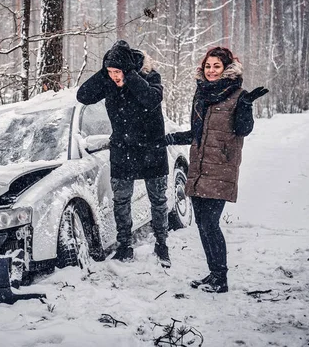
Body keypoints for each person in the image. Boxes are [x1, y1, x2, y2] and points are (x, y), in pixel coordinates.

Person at [165, 46, 268, 292]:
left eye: (216, 66)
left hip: (221, 168)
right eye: (208, 66)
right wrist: (168, 139)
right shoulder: (201, 94)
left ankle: (220, 279)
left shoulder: (237, 95)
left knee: (210, 223)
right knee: (202, 223)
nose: (211, 71)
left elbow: (243, 130)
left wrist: (246, 107)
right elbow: (196, 134)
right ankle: (213, 274)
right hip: (199, 167)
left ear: (226, 69)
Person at [77, 40, 172, 268]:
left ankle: (162, 244)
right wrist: (105, 71)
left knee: (158, 200)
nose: (114, 76)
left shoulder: (150, 77)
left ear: (128, 70)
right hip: (123, 149)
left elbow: (150, 99)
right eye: (110, 72)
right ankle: (124, 246)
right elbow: (83, 96)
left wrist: (129, 75)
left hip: (152, 148)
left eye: (117, 72)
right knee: (121, 201)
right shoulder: (109, 81)